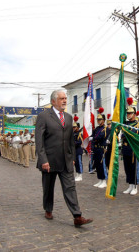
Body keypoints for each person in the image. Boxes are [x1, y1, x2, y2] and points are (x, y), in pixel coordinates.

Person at [35, 90, 92, 227]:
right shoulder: (43, 116)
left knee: (70, 188)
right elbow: (39, 140)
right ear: (53, 101)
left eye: (65, 98)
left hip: (65, 161)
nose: (65, 101)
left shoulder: (68, 117)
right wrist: (43, 160)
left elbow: (70, 140)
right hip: (49, 160)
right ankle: (48, 209)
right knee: (48, 188)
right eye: (61, 98)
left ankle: (77, 216)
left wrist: (72, 156)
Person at [121, 98, 139, 195]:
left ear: (135, 114)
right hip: (126, 148)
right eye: (127, 113)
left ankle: (135, 186)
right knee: (127, 168)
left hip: (133, 148)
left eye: (130, 113)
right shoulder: (126, 124)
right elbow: (123, 135)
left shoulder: (138, 125)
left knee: (134, 168)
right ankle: (130, 185)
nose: (128, 115)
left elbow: (138, 136)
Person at [90, 107, 108, 189]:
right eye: (97, 119)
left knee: (102, 164)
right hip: (96, 148)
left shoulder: (105, 129)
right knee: (97, 165)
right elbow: (93, 136)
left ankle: (104, 181)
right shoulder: (97, 128)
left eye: (100, 119)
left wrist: (93, 138)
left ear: (103, 120)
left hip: (101, 148)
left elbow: (101, 137)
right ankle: (100, 180)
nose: (98, 121)